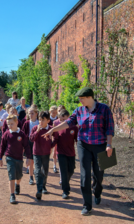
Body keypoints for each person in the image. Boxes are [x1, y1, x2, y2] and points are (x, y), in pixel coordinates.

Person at [42, 87, 114, 216]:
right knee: (85, 175)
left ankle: (97, 191)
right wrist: (53, 130)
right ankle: (87, 205)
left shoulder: (104, 109)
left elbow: (109, 128)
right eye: (79, 99)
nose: (80, 101)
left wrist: (109, 144)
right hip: (83, 145)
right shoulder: (79, 111)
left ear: (89, 97)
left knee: (99, 175)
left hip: (101, 146)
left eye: (82, 98)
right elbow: (68, 123)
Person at [0, 114, 32, 204]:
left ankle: (18, 185)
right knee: (11, 175)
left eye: (12, 124)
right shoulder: (6, 134)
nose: (10, 126)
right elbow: (2, 146)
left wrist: (28, 157)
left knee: (19, 176)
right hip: (9, 157)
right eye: (8, 124)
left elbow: (27, 146)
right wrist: (0, 157)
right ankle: (12, 195)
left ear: (17, 122)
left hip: (19, 158)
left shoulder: (22, 134)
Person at [51, 109, 78, 200]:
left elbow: (77, 140)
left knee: (71, 170)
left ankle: (65, 180)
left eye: (63, 120)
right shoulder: (58, 127)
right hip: (61, 152)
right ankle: (65, 191)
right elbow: (55, 139)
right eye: (60, 120)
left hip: (71, 153)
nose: (61, 122)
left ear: (68, 118)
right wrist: (50, 146)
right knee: (63, 171)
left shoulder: (74, 127)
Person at [29, 111, 53, 200]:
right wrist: (37, 131)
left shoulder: (51, 128)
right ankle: (39, 190)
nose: (41, 122)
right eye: (39, 119)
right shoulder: (35, 128)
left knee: (45, 171)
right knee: (38, 171)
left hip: (46, 154)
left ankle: (43, 186)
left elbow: (56, 138)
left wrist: (51, 146)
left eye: (43, 120)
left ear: (48, 120)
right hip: (36, 153)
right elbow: (31, 139)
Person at [21, 106, 38, 184]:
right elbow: (23, 134)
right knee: (30, 160)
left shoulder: (39, 122)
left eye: (32, 113)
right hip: (29, 143)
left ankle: (38, 177)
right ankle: (31, 177)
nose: (30, 115)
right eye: (29, 113)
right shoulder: (27, 123)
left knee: (37, 161)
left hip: (38, 143)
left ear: (36, 114)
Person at [53, 105, 66, 176]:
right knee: (55, 153)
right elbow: (53, 131)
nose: (60, 112)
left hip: (63, 140)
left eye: (61, 110)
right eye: (59, 110)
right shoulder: (55, 122)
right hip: (56, 139)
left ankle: (61, 167)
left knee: (61, 154)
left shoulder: (66, 121)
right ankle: (54, 165)